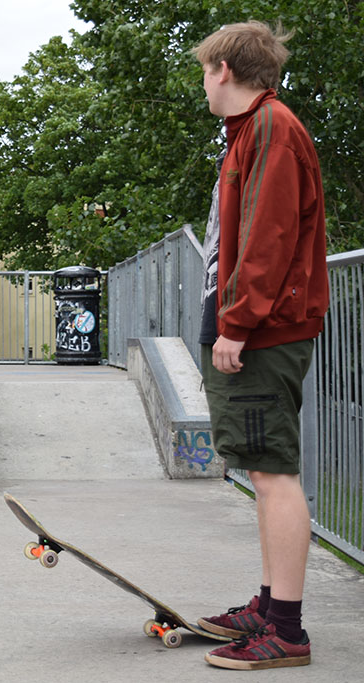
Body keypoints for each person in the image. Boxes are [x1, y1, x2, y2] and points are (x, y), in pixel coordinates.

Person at [192, 21, 329, 670]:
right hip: (255, 325)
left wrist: (238, 322)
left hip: (264, 332)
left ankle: (287, 631)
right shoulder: (253, 130)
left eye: (205, 69)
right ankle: (269, 607)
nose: (203, 80)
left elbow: (269, 236)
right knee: (261, 470)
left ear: (224, 68)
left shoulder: (272, 127)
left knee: (275, 475)